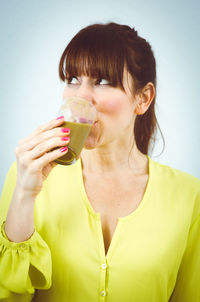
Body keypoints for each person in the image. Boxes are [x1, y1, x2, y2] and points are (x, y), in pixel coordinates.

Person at [0, 22, 199, 302]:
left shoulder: (190, 197)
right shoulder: (26, 177)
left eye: (102, 81)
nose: (80, 96)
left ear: (143, 99)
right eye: (72, 79)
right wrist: (23, 196)